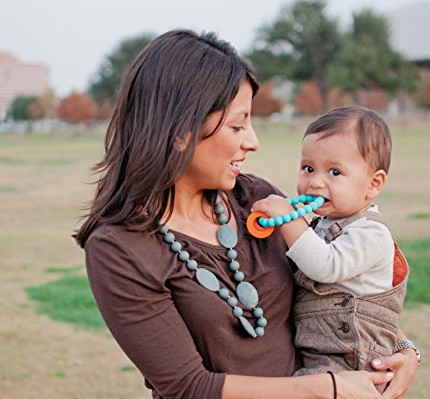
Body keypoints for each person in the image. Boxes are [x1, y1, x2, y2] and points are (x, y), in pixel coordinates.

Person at [75, 30, 418, 399]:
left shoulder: (257, 200)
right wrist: (325, 388)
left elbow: (335, 287)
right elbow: (187, 387)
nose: (253, 141)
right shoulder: (120, 249)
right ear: (179, 131)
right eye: (238, 125)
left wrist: (403, 349)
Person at [251, 107, 420, 388]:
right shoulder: (323, 224)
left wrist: (289, 224)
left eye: (334, 172)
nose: (315, 182)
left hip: (353, 358)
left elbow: (325, 266)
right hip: (322, 351)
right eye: (308, 168)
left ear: (373, 183)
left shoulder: (371, 233)